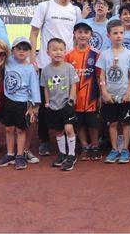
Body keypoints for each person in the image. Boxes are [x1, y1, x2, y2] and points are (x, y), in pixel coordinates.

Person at [30, 0, 81, 156]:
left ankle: (69, 140)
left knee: (67, 102)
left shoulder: (75, 10)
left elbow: (76, 37)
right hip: (46, 65)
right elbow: (34, 32)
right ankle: (44, 140)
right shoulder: (45, 6)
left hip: (66, 66)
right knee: (46, 104)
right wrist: (33, 58)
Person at [96, 20, 130, 164]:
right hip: (110, 96)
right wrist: (104, 92)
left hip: (125, 96)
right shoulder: (105, 55)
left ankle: (125, 150)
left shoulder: (129, 54)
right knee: (113, 123)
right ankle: (114, 149)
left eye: (121, 33)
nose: (119, 36)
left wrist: (129, 92)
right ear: (108, 35)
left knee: (126, 123)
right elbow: (101, 75)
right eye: (115, 33)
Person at [0, 37, 40, 170]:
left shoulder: (30, 69)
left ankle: (20, 155)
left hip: (22, 103)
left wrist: (34, 105)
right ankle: (10, 154)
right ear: (12, 50)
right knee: (9, 128)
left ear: (30, 52)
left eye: (25, 49)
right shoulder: (7, 62)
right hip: (8, 101)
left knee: (21, 130)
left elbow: (34, 87)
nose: (22, 51)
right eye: (18, 48)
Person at [40, 38, 80, 171]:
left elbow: (73, 85)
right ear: (47, 52)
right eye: (54, 49)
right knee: (58, 131)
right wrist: (47, 103)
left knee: (68, 129)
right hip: (53, 106)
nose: (58, 52)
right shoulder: (45, 70)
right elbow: (45, 87)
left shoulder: (69, 68)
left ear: (65, 51)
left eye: (61, 49)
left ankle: (72, 155)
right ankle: (62, 153)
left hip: (66, 105)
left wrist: (71, 100)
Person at [65, 20, 102, 161]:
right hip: (75, 97)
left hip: (91, 97)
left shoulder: (96, 54)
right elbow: (67, 77)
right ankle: (84, 146)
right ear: (74, 34)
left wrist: (99, 96)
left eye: (86, 32)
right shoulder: (68, 55)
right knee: (79, 123)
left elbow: (99, 76)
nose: (82, 35)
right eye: (79, 32)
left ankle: (95, 145)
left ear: (91, 35)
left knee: (93, 124)